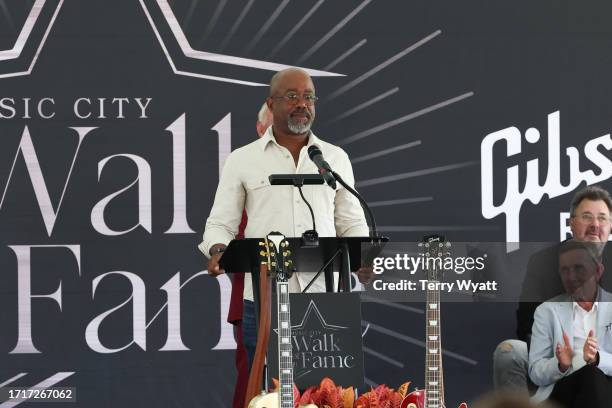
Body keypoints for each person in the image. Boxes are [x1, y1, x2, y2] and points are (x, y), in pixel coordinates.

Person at [199, 67, 369, 369]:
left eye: (309, 97)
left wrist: (364, 255)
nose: (302, 104)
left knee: (327, 395)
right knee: (267, 395)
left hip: (326, 296)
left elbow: (351, 221)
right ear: (271, 103)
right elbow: (220, 223)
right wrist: (217, 250)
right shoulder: (243, 159)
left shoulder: (334, 158)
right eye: (292, 96)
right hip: (263, 301)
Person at [493, 185, 612, 392]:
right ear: (571, 224)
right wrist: (563, 356)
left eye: (602, 218)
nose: (595, 224)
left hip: (605, 357)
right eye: (586, 217)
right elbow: (526, 324)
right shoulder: (544, 262)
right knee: (509, 351)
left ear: (610, 225)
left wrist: (596, 356)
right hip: (555, 353)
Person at [227, 102, 273, 408]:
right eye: (271, 126)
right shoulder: (244, 170)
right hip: (254, 297)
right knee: (252, 383)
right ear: (259, 129)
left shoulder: (313, 168)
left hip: (307, 293)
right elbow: (226, 233)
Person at [529, 239, 612, 407]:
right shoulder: (547, 311)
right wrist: (560, 365)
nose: (571, 277)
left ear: (598, 271)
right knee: (590, 375)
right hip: (564, 391)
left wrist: (597, 359)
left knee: (592, 374)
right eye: (565, 270)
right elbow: (536, 372)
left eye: (578, 268)